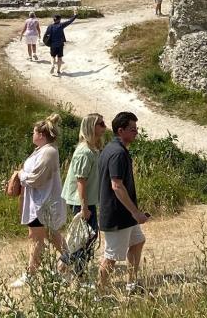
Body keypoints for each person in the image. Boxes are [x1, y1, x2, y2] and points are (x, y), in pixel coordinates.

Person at [8, 114, 68, 288]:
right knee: (50, 234)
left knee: (35, 237)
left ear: (41, 134)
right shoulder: (42, 150)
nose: (32, 135)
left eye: (33, 132)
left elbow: (37, 179)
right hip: (38, 201)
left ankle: (31, 273)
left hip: (43, 202)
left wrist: (20, 175)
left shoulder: (49, 151)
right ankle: (72, 260)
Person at [98, 111, 149, 294]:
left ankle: (131, 284)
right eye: (132, 129)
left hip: (123, 214)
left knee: (138, 242)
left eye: (136, 128)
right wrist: (135, 212)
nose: (136, 132)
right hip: (117, 214)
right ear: (121, 130)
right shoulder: (118, 153)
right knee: (111, 257)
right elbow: (117, 186)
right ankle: (99, 295)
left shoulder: (112, 149)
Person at [62, 113, 106, 277]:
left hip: (88, 201)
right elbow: (81, 181)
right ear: (90, 127)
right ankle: (70, 271)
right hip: (80, 201)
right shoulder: (84, 152)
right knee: (83, 238)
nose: (104, 127)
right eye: (100, 124)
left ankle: (71, 271)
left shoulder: (93, 150)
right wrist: (84, 207)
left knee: (87, 238)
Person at [44, 8, 78, 77]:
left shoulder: (50, 26)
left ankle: (53, 65)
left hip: (53, 44)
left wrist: (47, 43)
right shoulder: (61, 25)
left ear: (54, 19)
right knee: (59, 58)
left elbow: (46, 35)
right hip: (60, 44)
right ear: (59, 19)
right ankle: (58, 70)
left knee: (52, 57)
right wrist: (75, 15)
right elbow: (69, 21)